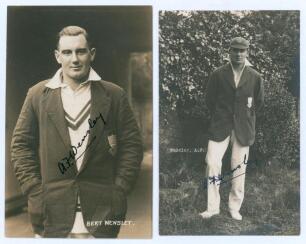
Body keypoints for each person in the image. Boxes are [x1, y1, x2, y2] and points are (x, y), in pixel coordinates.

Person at [11, 26, 143, 238]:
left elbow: (132, 146)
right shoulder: (37, 95)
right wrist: (34, 190)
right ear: (57, 56)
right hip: (51, 212)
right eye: (67, 52)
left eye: (81, 51)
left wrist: (119, 190)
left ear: (92, 54)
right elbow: (21, 146)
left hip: (101, 212)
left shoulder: (114, 95)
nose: (74, 59)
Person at [199, 37, 264, 220]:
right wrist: (221, 115)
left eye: (242, 50)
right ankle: (212, 208)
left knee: (239, 167)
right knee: (212, 163)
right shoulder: (218, 74)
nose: (238, 54)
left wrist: (244, 117)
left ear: (247, 52)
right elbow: (209, 100)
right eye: (234, 50)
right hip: (220, 125)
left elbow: (258, 102)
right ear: (229, 52)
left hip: (244, 128)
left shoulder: (255, 77)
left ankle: (234, 207)